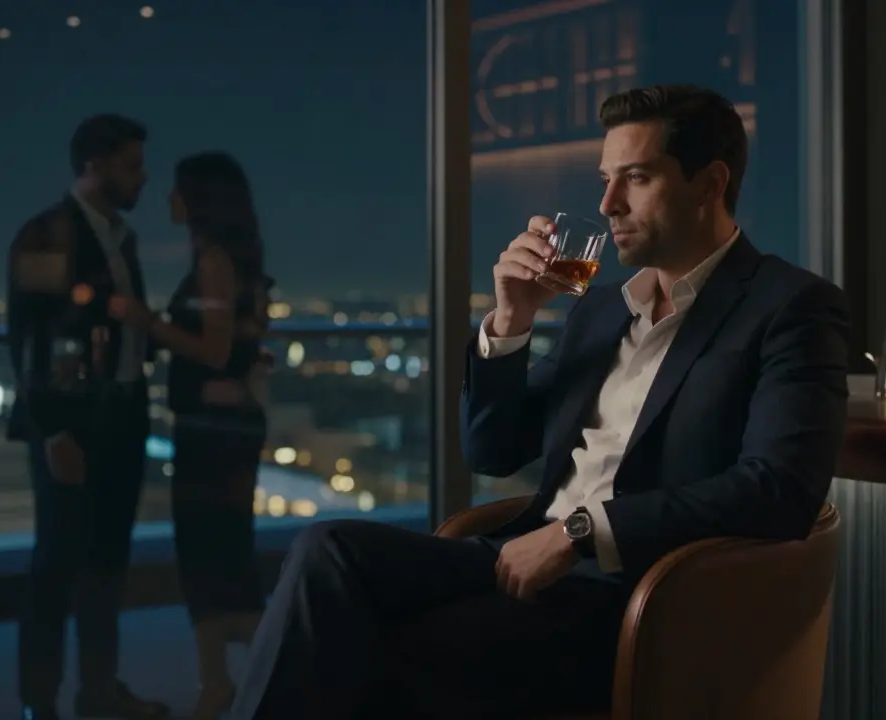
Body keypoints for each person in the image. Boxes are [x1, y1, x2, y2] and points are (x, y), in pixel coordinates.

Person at [228, 84, 851, 719]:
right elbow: (493, 451)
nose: (607, 204)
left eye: (634, 179)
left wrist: (581, 533)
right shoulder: (604, 309)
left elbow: (779, 489)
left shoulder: (788, 308)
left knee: (364, 646)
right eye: (606, 179)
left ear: (709, 183)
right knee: (324, 550)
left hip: (637, 597)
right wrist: (510, 322)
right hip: (515, 557)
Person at [6, 114, 169, 720]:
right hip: (73, 424)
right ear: (94, 165)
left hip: (122, 416)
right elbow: (29, 339)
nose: (143, 177)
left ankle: (98, 694)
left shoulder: (118, 237)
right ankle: (40, 705)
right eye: (132, 164)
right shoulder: (47, 234)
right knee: (57, 569)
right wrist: (52, 428)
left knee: (105, 567)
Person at [108, 152, 270, 719]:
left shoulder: (216, 261)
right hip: (219, 426)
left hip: (214, 433)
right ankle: (222, 681)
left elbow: (216, 349)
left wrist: (143, 320)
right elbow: (238, 343)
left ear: (199, 199)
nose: (169, 199)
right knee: (219, 554)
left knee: (210, 554)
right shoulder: (229, 258)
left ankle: (261, 670)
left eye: (178, 191)